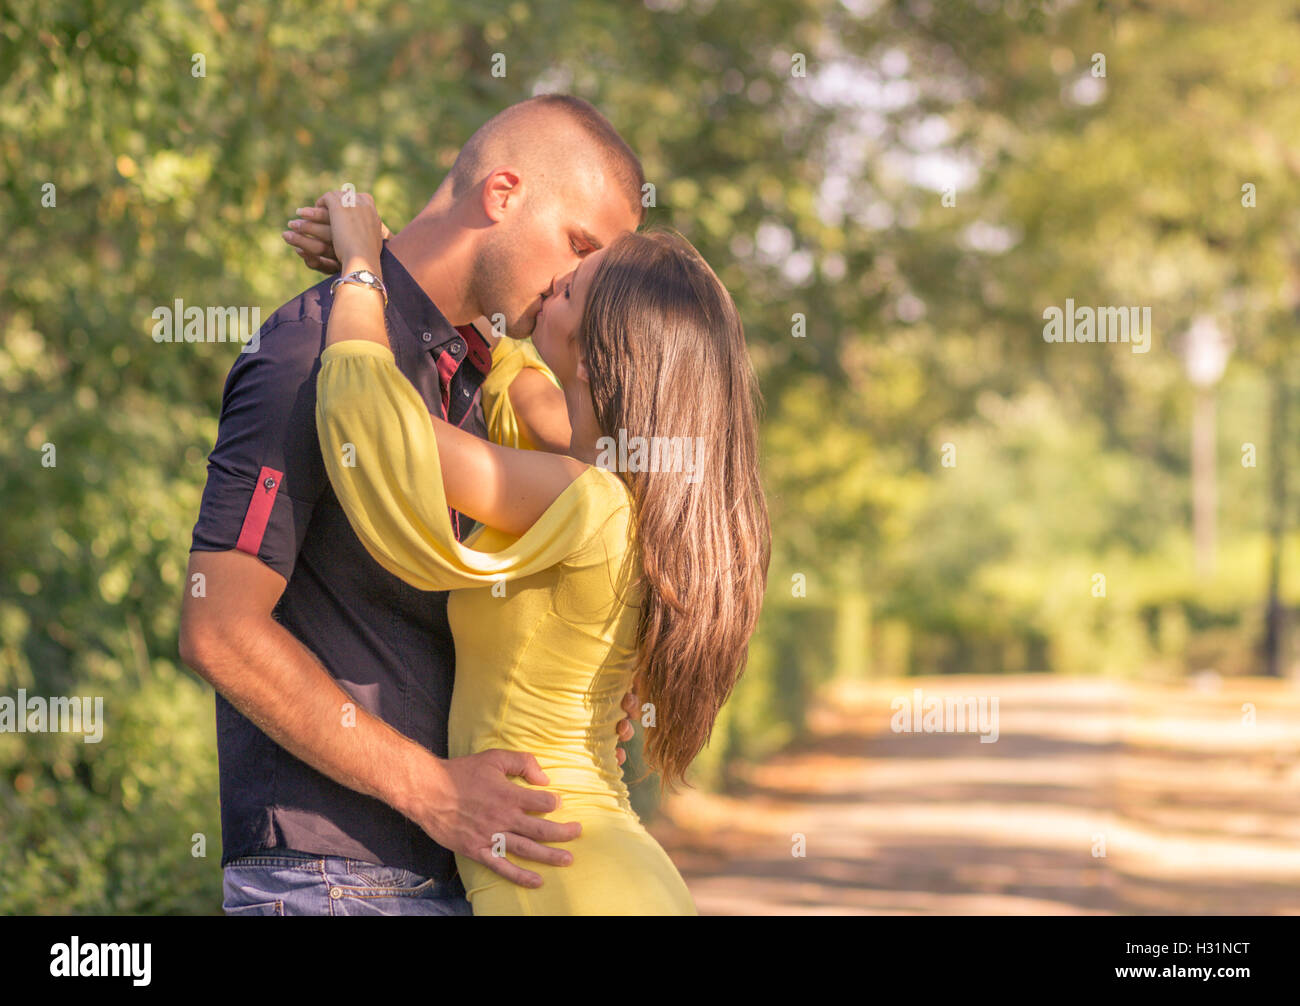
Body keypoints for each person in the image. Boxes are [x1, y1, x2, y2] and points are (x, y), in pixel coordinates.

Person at [178, 95, 647, 915]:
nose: (580, 283)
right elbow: (218, 628)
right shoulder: (308, 352)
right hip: (332, 880)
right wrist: (432, 789)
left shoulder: (489, 377)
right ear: (502, 194)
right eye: (579, 245)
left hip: (469, 873)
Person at [310, 186, 770, 914]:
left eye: (566, 292)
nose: (549, 288)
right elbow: (513, 383)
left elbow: (376, 429)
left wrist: (362, 268)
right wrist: (406, 275)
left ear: (594, 358)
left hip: (564, 876)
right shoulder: (619, 491)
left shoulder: (580, 498)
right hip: (592, 865)